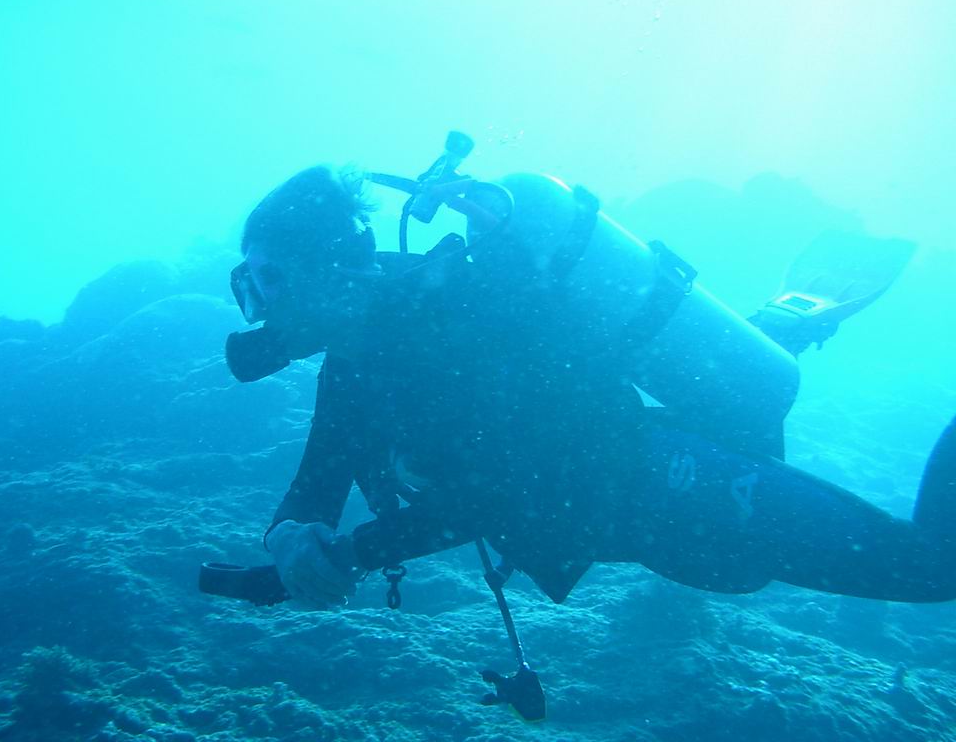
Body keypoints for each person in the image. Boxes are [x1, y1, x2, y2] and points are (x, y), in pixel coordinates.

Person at [223, 161, 956, 614]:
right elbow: (316, 481)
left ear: (336, 268)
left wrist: (352, 554)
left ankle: (761, 346)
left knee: (930, 565)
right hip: (628, 525)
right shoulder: (353, 365)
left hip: (672, 485)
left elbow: (498, 490)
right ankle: (767, 334)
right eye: (248, 284)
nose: (259, 308)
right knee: (733, 571)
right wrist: (289, 538)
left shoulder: (449, 326)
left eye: (271, 279)